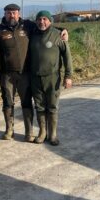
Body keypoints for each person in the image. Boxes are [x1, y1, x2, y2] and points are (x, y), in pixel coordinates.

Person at [0, 3, 69, 142]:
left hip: (25, 73)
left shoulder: (28, 26)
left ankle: (29, 132)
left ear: (19, 14)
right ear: (4, 14)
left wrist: (63, 30)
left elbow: (46, 27)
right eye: (9, 12)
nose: (12, 15)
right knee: (7, 102)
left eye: (14, 12)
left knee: (27, 102)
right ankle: (9, 130)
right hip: (7, 74)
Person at [29, 10, 73, 146]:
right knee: (39, 107)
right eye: (39, 19)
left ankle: (53, 134)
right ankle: (42, 132)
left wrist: (68, 76)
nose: (41, 22)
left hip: (52, 78)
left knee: (52, 107)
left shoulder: (58, 36)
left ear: (49, 21)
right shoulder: (32, 34)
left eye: (44, 19)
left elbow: (67, 57)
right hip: (35, 77)